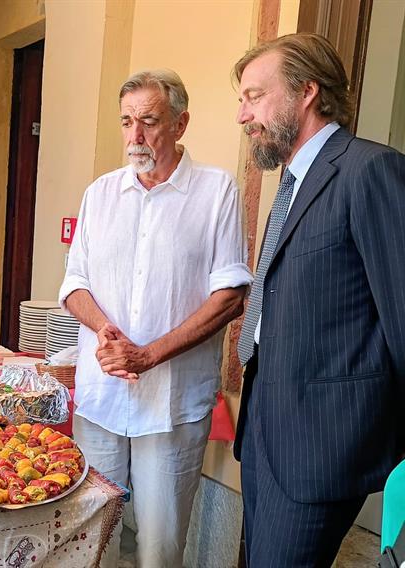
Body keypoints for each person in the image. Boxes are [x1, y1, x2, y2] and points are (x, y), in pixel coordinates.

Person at [58, 69, 252, 567]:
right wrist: (103, 329)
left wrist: (147, 355)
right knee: (90, 540)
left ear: (180, 123)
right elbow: (73, 284)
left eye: (149, 121)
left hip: (169, 405)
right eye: (127, 122)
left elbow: (230, 295)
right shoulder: (100, 193)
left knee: (159, 549)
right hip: (100, 401)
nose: (135, 136)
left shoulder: (215, 192)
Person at [233, 33, 405, 566]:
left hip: (320, 444)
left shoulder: (370, 170)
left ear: (307, 91)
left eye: (255, 96)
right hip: (263, 424)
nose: (243, 115)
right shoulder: (293, 182)